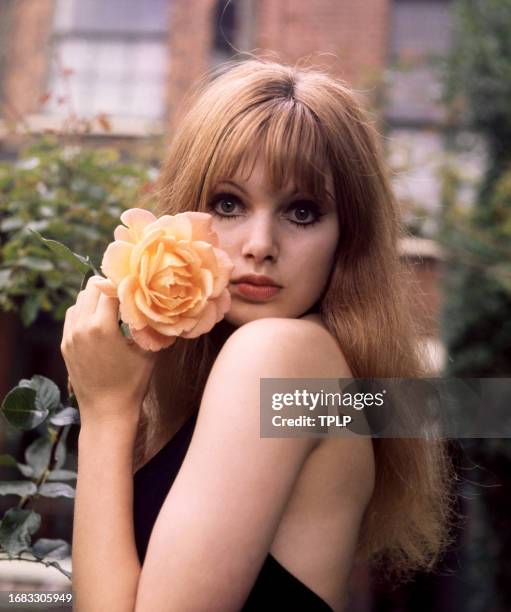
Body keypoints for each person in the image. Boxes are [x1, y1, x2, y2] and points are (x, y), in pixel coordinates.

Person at [61, 58, 455, 611]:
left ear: (348, 238)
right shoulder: (292, 367)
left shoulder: (279, 354)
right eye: (228, 204)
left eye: (302, 210)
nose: (260, 244)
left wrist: (105, 415)